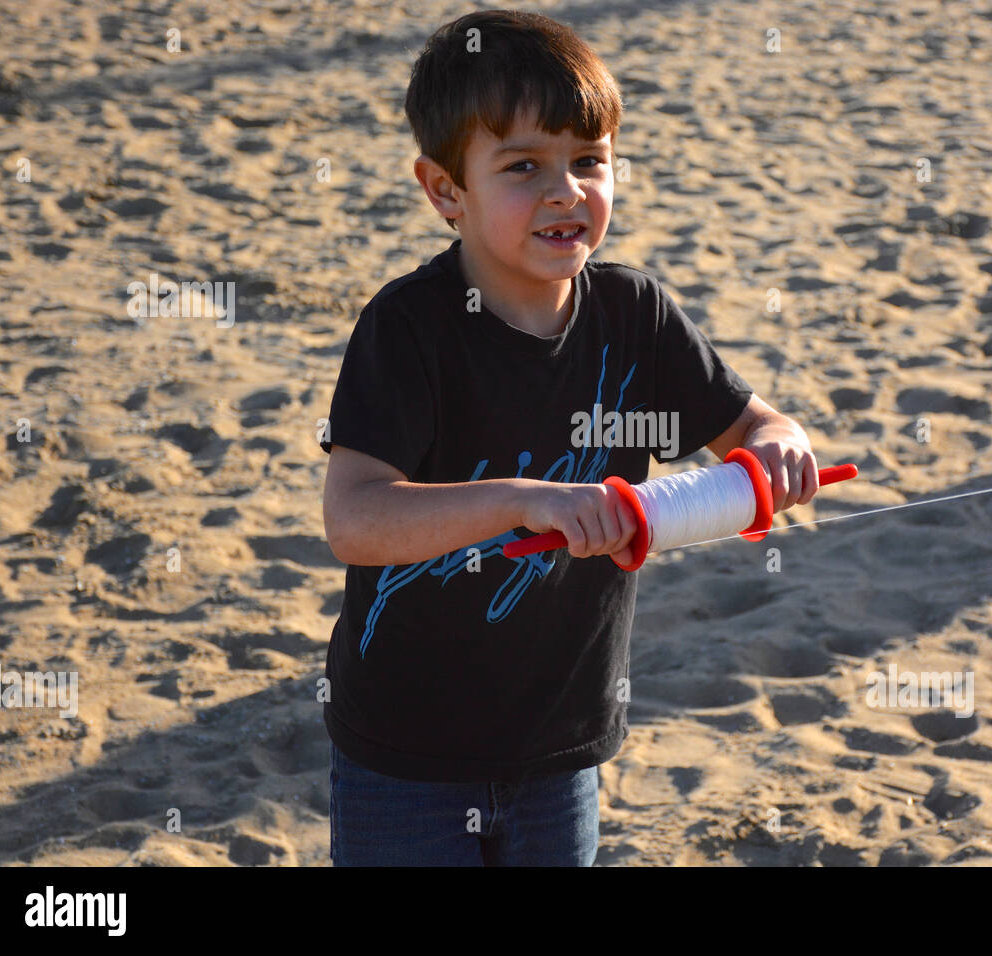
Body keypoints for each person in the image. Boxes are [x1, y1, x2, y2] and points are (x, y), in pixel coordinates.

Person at [320, 9, 819, 866]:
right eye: (523, 167)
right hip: (404, 758)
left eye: (590, 161)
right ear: (446, 190)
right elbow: (354, 520)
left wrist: (778, 438)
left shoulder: (638, 316)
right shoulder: (409, 330)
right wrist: (525, 500)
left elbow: (751, 422)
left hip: (563, 747)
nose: (566, 192)